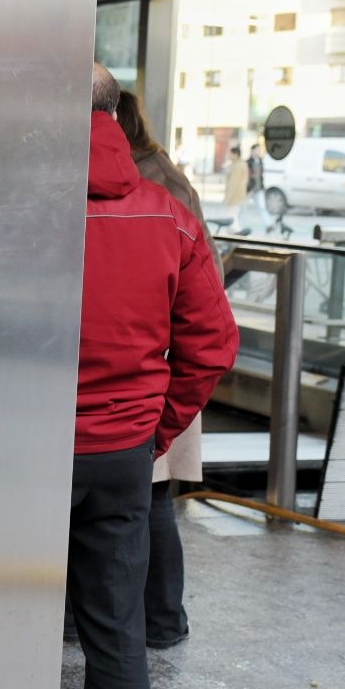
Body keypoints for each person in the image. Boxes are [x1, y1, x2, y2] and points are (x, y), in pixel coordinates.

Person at [72, 64, 238, 689]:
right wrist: (153, 431)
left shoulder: (19, 213)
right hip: (119, 454)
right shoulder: (169, 216)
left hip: (19, 457)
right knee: (115, 626)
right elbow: (214, 342)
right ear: (116, 111)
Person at [114, 91, 217, 648]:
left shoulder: (140, 185)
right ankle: (163, 621)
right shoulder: (172, 180)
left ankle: (154, 620)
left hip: (148, 367)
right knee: (153, 501)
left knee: (147, 502)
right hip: (169, 365)